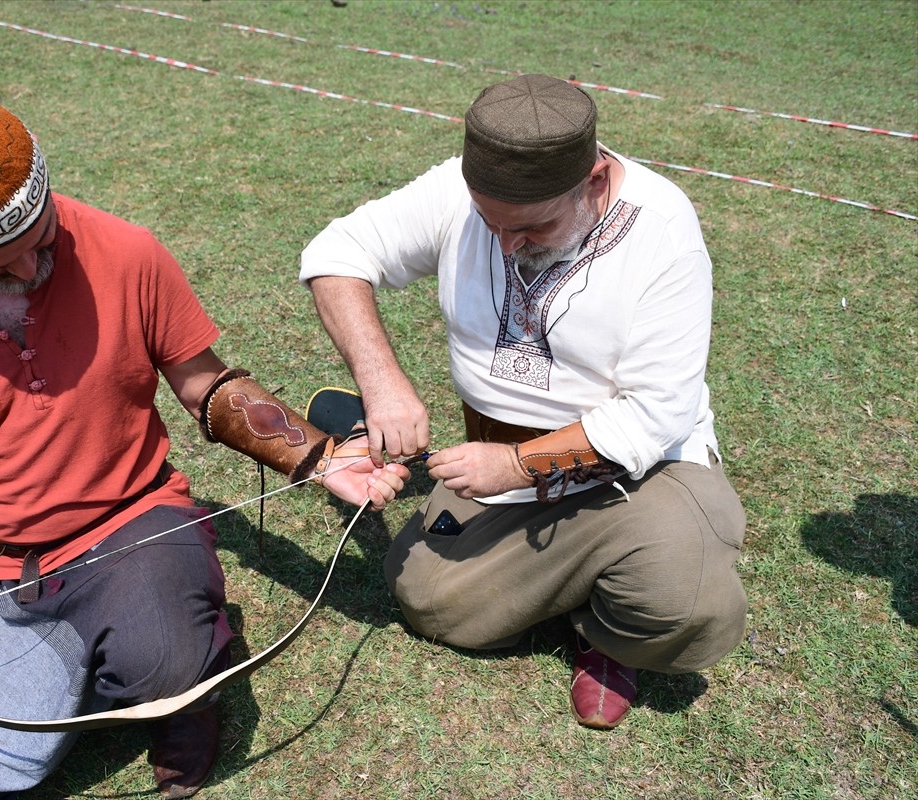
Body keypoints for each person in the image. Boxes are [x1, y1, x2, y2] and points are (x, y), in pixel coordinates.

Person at [0, 99, 409, 800]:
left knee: (167, 665)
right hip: (1, 559)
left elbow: (202, 383)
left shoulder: (126, 250)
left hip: (134, 519)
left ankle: (164, 676)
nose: (33, 267)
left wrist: (316, 457)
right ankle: (96, 663)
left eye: (41, 241)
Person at [300, 74, 747, 730]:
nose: (507, 245)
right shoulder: (457, 189)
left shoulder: (663, 230)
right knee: (430, 600)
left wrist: (513, 468)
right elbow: (337, 252)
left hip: (637, 473)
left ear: (594, 183)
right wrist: (383, 382)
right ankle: (576, 581)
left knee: (686, 596)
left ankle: (606, 634)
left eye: (533, 227)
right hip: (494, 452)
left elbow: (655, 413)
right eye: (491, 223)